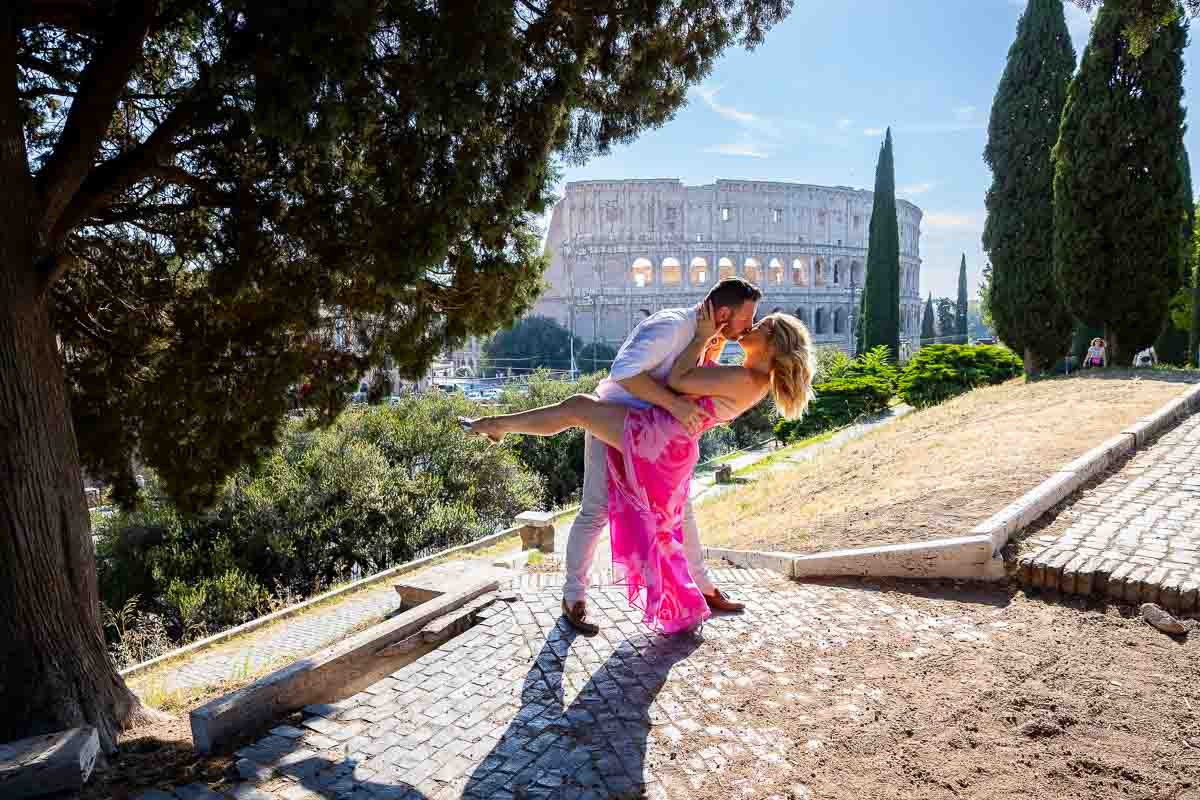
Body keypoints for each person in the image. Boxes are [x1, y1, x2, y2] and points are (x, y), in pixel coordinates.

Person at [462, 293, 815, 634]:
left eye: (760, 324)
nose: (751, 326)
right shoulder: (747, 376)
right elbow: (700, 383)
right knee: (671, 518)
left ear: (772, 341)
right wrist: (711, 345)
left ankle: (499, 426)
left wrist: (703, 338)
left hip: (659, 437)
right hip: (666, 440)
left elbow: (680, 380)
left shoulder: (746, 378)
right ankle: (699, 589)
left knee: (577, 409)